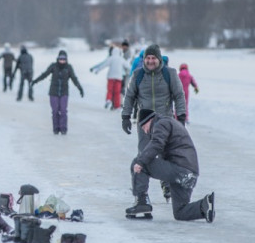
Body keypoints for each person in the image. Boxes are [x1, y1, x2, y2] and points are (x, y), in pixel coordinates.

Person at [121, 44, 186, 201]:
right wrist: (125, 116)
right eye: (148, 58)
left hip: (165, 122)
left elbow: (179, 95)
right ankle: (141, 196)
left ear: (159, 59)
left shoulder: (169, 73)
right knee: (144, 157)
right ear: (144, 59)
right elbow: (130, 97)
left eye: (153, 58)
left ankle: (167, 183)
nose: (150, 61)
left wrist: (181, 116)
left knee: (166, 155)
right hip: (144, 123)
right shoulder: (138, 75)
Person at [126, 108, 214, 223]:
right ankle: (204, 205)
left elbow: (157, 144)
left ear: (148, 120)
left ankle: (142, 203)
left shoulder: (161, 123)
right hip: (189, 174)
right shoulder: (168, 123)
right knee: (180, 212)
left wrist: (141, 162)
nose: (146, 132)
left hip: (180, 168)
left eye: (144, 128)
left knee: (138, 162)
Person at [31, 50, 84, 135]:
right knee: (55, 111)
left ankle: (63, 129)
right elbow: (44, 74)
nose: (62, 61)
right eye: (60, 59)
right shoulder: (53, 66)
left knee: (63, 111)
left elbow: (74, 79)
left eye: (64, 59)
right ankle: (56, 129)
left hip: (64, 92)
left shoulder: (68, 67)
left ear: (66, 59)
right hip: (53, 92)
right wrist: (35, 81)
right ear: (58, 58)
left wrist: (80, 88)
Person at [90, 46, 130, 110]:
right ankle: (117, 106)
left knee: (110, 90)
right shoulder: (121, 59)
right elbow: (128, 66)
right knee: (117, 92)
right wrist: (132, 71)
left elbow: (103, 65)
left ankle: (108, 100)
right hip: (118, 78)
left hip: (111, 77)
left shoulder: (111, 58)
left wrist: (97, 70)